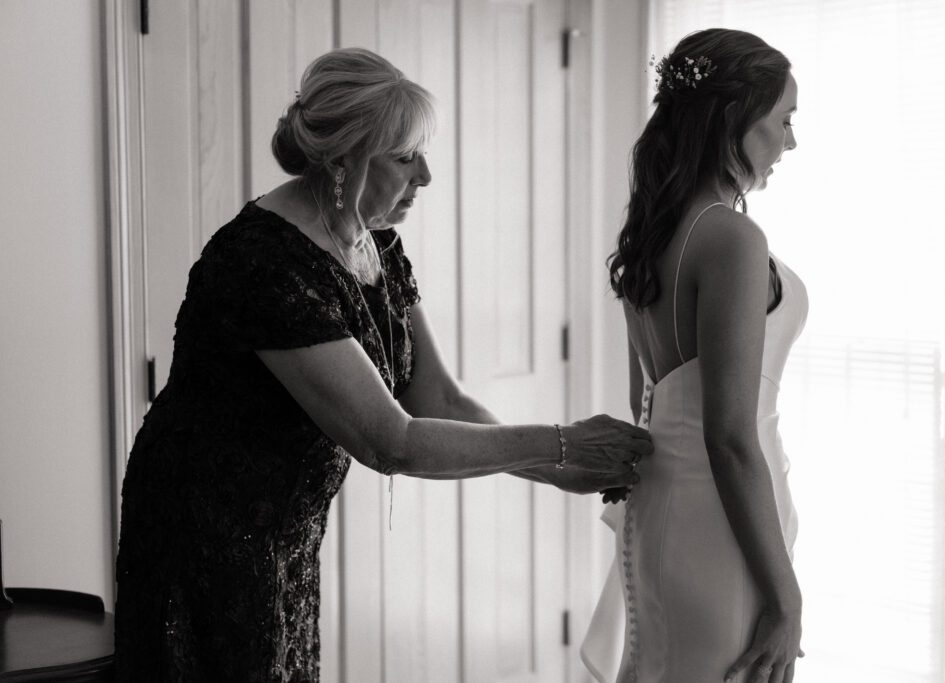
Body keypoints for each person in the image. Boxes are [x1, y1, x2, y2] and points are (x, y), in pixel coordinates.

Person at [113, 47, 650, 681]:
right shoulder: (261, 264)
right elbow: (390, 441)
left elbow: (440, 402)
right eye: (404, 157)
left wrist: (557, 468)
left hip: (285, 531)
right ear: (344, 159)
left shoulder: (377, 247)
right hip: (203, 536)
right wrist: (563, 445)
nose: (425, 175)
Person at [581, 29, 806, 683]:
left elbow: (643, 403)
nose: (791, 142)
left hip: (665, 514)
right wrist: (787, 600)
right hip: (726, 526)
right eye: (784, 120)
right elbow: (731, 437)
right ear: (737, 119)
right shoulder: (731, 238)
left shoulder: (652, 230)